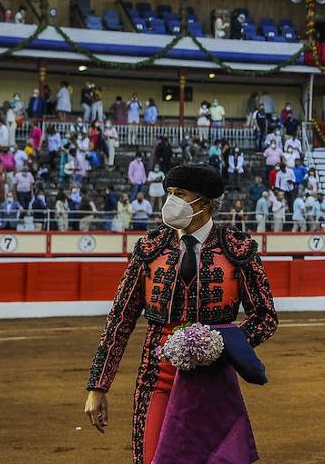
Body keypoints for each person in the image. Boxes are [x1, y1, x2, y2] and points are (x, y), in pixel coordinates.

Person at [83, 164, 277, 464]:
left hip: (213, 379)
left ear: (205, 202)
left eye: (180, 194)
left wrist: (219, 342)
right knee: (153, 458)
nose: (170, 201)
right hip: (157, 377)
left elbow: (265, 316)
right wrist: (98, 386)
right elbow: (120, 319)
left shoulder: (237, 249)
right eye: (169, 193)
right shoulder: (150, 248)